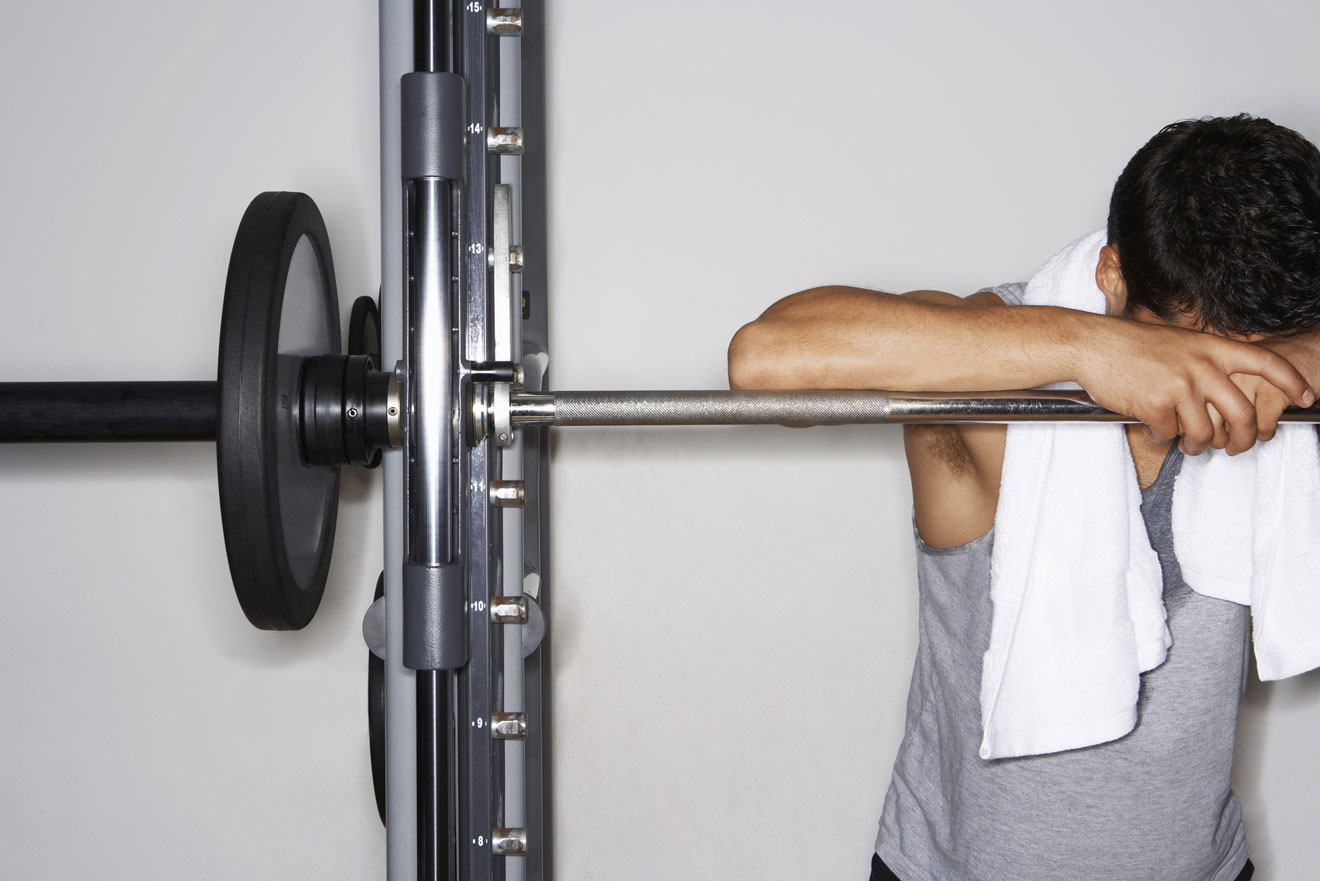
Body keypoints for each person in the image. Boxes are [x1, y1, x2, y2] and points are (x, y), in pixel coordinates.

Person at [726, 115, 1320, 881]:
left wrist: (1298, 361)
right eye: (1187, 351)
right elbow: (765, 359)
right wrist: (1086, 346)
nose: (1218, 393)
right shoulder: (985, 370)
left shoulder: (1290, 382)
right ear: (1112, 275)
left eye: (1250, 362)